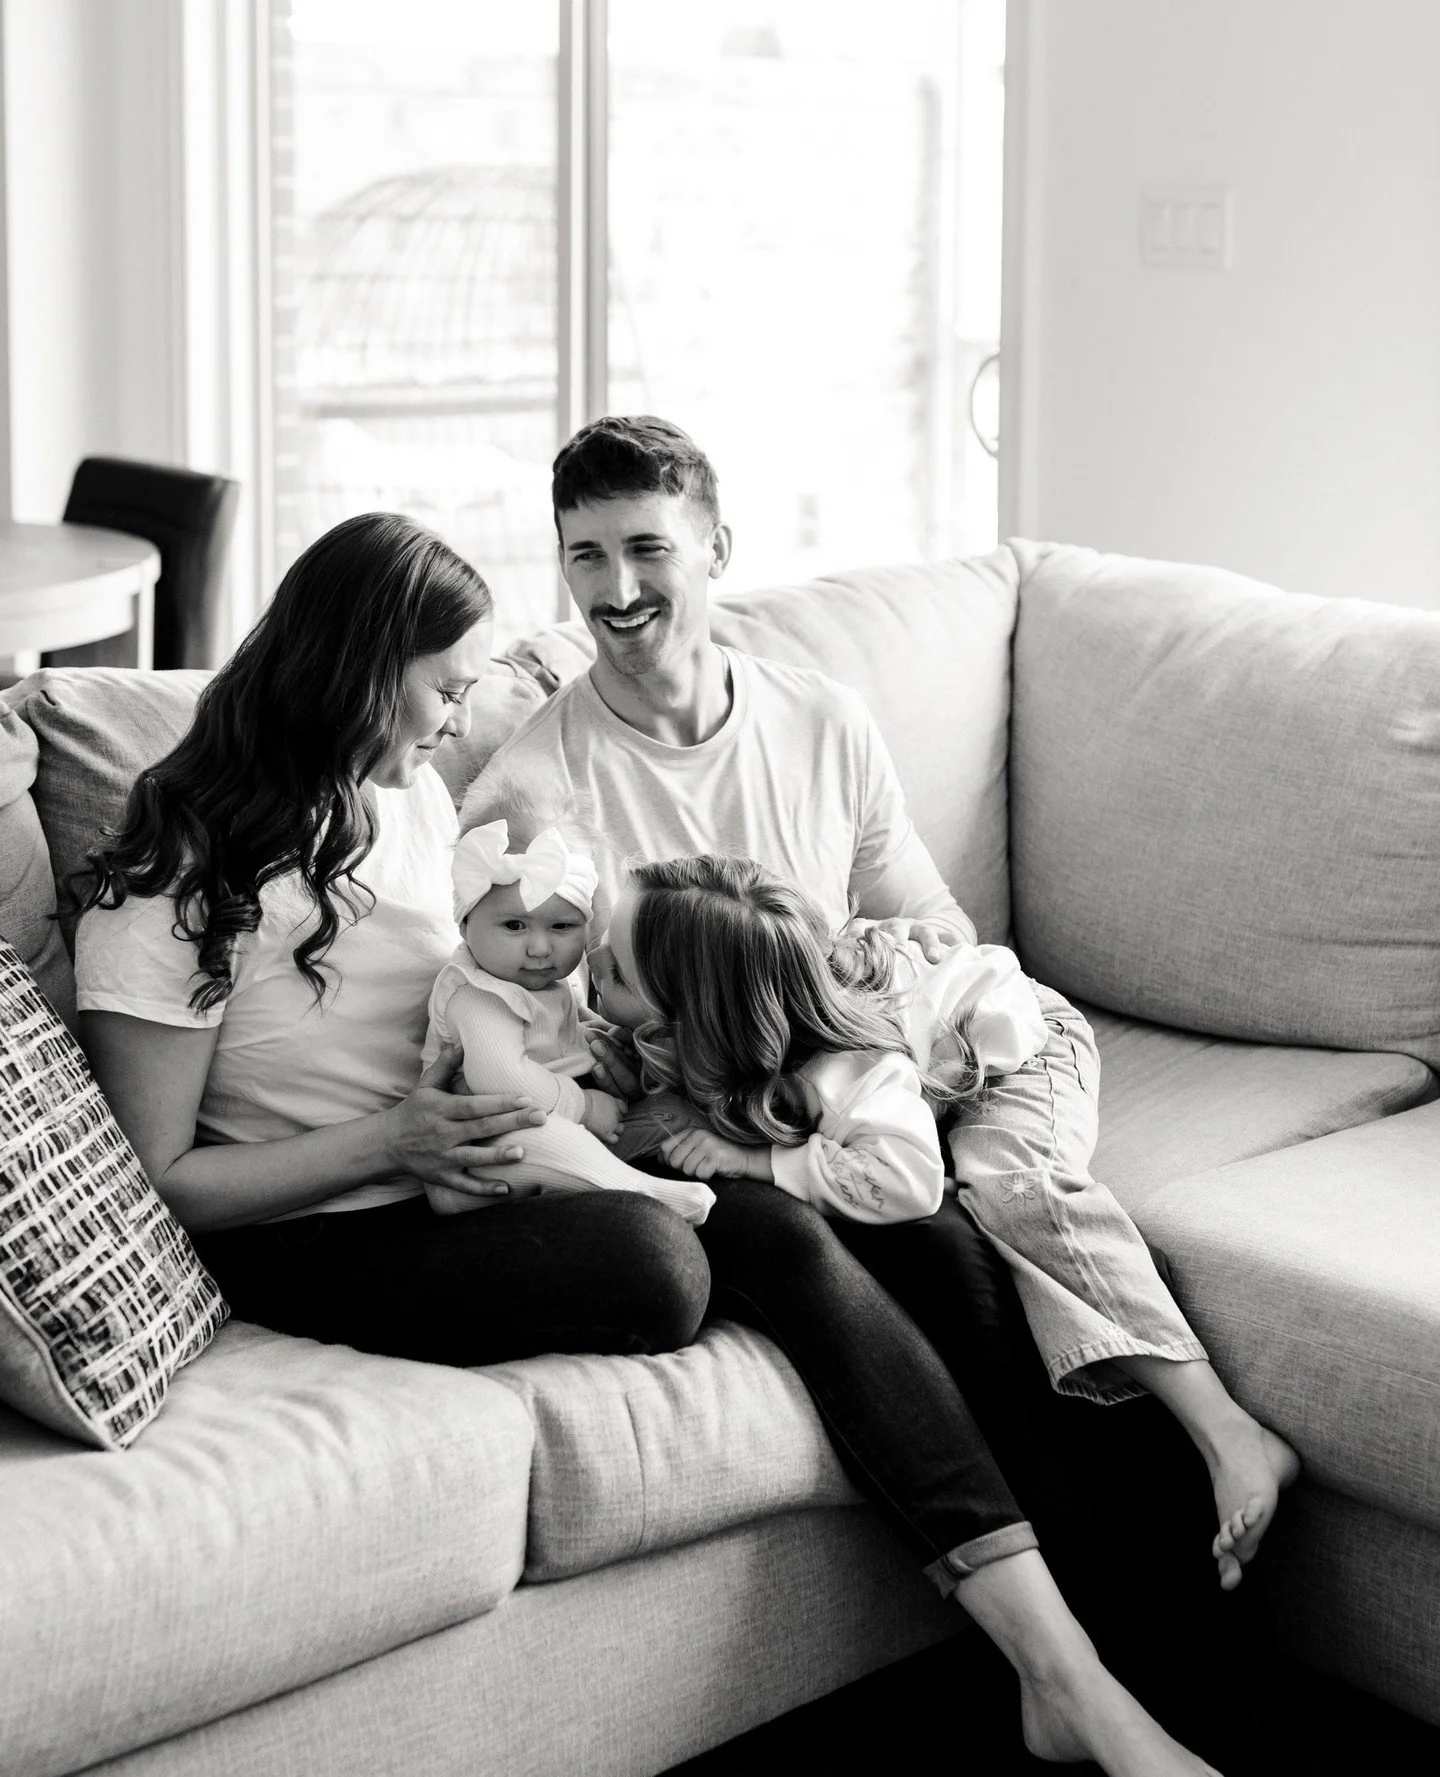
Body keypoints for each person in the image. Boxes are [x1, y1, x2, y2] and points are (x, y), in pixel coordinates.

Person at [472, 414, 1276, 1762]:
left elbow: (933, 928)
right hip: (727, 1137)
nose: (616, 593)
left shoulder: (817, 718)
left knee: (991, 1263)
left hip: (864, 1080)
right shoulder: (542, 790)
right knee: (956, 1266)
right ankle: (1121, 1698)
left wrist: (874, 1019)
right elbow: (574, 1043)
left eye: (648, 550)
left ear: (718, 549)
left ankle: (1197, 1694)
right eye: (585, 558)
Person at [71, 511, 710, 1369]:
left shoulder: (406, 796)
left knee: (770, 1207)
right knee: (654, 1261)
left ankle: (953, 1504)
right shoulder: (178, 875)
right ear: (355, 673)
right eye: (447, 692)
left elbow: (469, 986)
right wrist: (395, 1142)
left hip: (449, 1172)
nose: (458, 723)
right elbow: (159, 1179)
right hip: (311, 1231)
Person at [599, 854, 1299, 1591]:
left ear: (700, 1020)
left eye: (612, 973)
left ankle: (1227, 1431)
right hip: (922, 1038)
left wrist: (764, 1167)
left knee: (1010, 1190)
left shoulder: (849, 1072)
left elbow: (906, 1182)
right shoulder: (719, 1021)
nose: (591, 970)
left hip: (1020, 1049)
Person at [422, 781, 713, 1224]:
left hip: (563, 1122)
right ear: (465, 924)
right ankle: (638, 1190)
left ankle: (618, 1171)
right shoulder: (477, 994)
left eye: (561, 927)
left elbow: (574, 1028)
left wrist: (609, 1040)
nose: (540, 948)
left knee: (676, 1111)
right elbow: (500, 1078)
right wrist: (581, 1107)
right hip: (477, 1154)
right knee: (545, 1136)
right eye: (515, 925)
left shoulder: (541, 984)